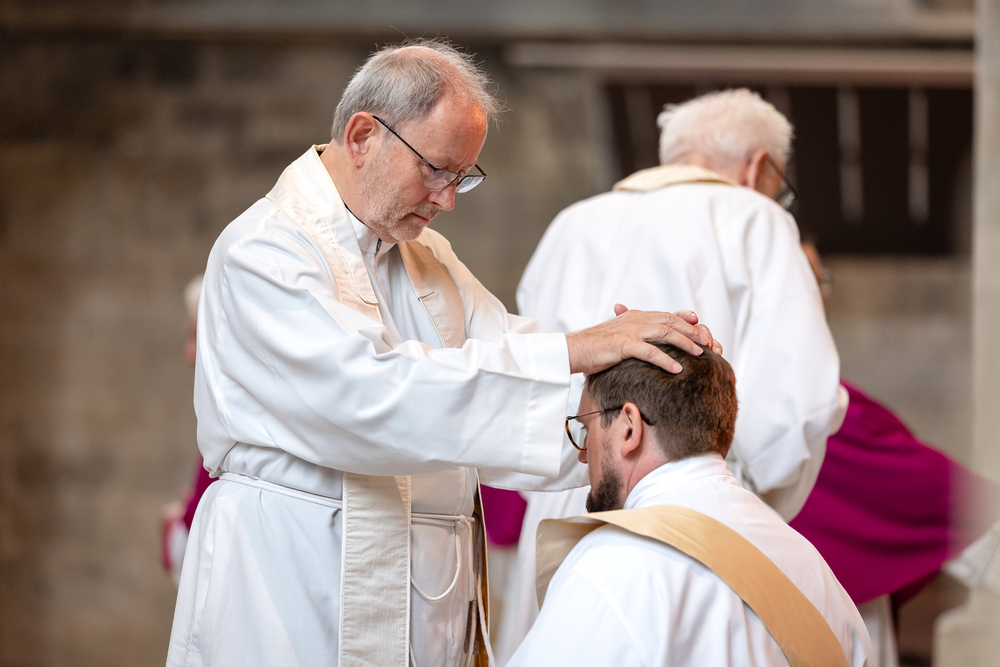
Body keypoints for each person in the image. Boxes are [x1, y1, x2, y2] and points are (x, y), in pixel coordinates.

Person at [165, 39, 720, 667]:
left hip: (424, 601)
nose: (447, 199)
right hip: (290, 581)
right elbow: (370, 399)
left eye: (462, 177)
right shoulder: (264, 251)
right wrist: (576, 349)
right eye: (436, 170)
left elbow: (506, 353)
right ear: (363, 136)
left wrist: (641, 393)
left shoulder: (425, 257)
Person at [496, 88, 843, 661]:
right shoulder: (757, 219)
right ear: (758, 166)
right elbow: (798, 407)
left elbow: (531, 366)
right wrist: (748, 506)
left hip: (570, 496)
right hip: (694, 522)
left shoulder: (570, 224)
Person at [507, 344, 871, 666]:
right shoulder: (811, 566)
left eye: (587, 429)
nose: (584, 455)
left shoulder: (615, 564)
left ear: (629, 428)